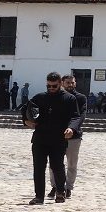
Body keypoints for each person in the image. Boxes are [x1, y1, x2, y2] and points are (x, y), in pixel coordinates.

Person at [24, 72, 78, 204]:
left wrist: (71, 128)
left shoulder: (69, 99)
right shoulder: (40, 97)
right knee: (38, 167)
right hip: (40, 138)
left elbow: (75, 116)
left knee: (57, 166)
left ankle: (60, 192)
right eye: (49, 86)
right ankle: (39, 197)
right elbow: (26, 109)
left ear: (60, 84)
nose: (51, 88)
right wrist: (26, 121)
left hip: (58, 139)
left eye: (54, 86)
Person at [49, 75, 87, 198]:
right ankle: (55, 186)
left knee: (72, 164)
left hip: (74, 136)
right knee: (54, 163)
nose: (70, 85)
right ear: (62, 83)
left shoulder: (81, 98)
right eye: (67, 83)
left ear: (75, 83)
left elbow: (81, 116)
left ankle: (68, 187)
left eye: (72, 83)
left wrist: (72, 128)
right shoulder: (55, 96)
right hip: (56, 135)